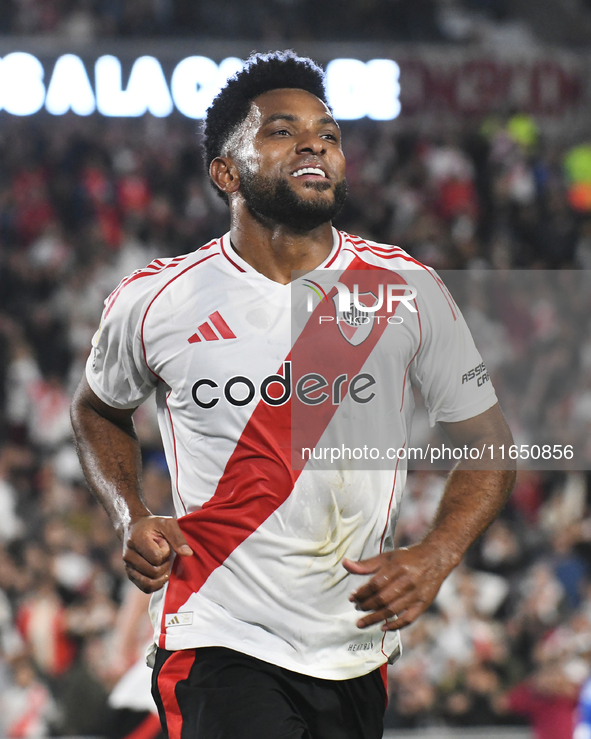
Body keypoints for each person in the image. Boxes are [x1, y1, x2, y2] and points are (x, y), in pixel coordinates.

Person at [70, 50, 516, 739]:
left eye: (328, 133)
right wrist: (130, 513)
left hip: (352, 648)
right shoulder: (156, 298)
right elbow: (97, 407)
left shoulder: (401, 288)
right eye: (281, 130)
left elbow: (488, 444)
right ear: (225, 172)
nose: (314, 142)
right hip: (218, 634)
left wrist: (435, 554)